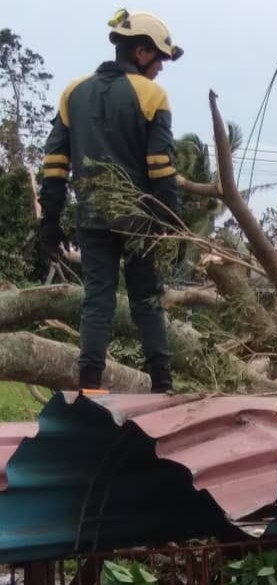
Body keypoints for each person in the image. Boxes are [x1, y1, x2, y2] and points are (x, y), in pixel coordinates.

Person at [38, 9, 184, 394]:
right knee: (147, 300)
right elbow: (161, 168)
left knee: (97, 299)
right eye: (160, 60)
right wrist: (173, 225)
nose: (161, 70)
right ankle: (162, 387)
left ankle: (90, 387)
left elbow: (54, 164)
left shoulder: (74, 92)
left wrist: (49, 222)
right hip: (140, 218)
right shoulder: (152, 95)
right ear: (140, 52)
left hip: (91, 215)